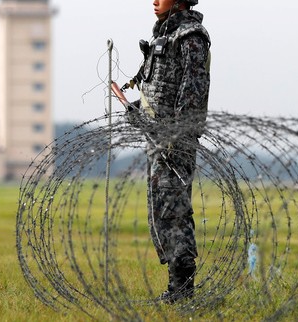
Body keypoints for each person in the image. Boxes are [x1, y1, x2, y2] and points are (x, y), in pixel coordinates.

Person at [122, 0, 210, 304]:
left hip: (175, 144)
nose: (154, 0)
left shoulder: (190, 37)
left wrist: (177, 136)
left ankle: (183, 291)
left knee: (175, 213)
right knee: (160, 212)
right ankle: (177, 288)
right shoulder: (163, 37)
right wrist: (139, 112)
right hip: (157, 141)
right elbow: (156, 94)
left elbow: (193, 90)